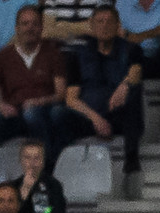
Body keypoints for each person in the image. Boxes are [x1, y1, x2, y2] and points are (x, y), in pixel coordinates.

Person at [58, 5, 145, 184]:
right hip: (89, 118)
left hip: (118, 116)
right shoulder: (78, 54)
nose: (104, 26)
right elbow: (71, 99)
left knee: (134, 91)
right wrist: (95, 118)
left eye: (109, 22)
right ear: (91, 25)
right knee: (58, 114)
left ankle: (131, 160)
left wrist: (125, 85)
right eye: (100, 21)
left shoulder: (130, 49)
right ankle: (55, 169)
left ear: (117, 25)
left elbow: (136, 71)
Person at [0, 5, 66, 154]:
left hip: (44, 111)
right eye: (25, 24)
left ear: (41, 28)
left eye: (35, 24)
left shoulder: (53, 54)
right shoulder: (3, 56)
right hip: (14, 113)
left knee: (32, 113)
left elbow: (61, 94)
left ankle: (46, 164)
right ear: (17, 28)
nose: (30, 28)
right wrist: (0, 106)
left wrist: (39, 102)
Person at [116, 0, 160, 121]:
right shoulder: (122, 3)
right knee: (128, 47)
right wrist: (129, 37)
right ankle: (125, 104)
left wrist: (144, 35)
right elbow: (117, 31)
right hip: (135, 59)